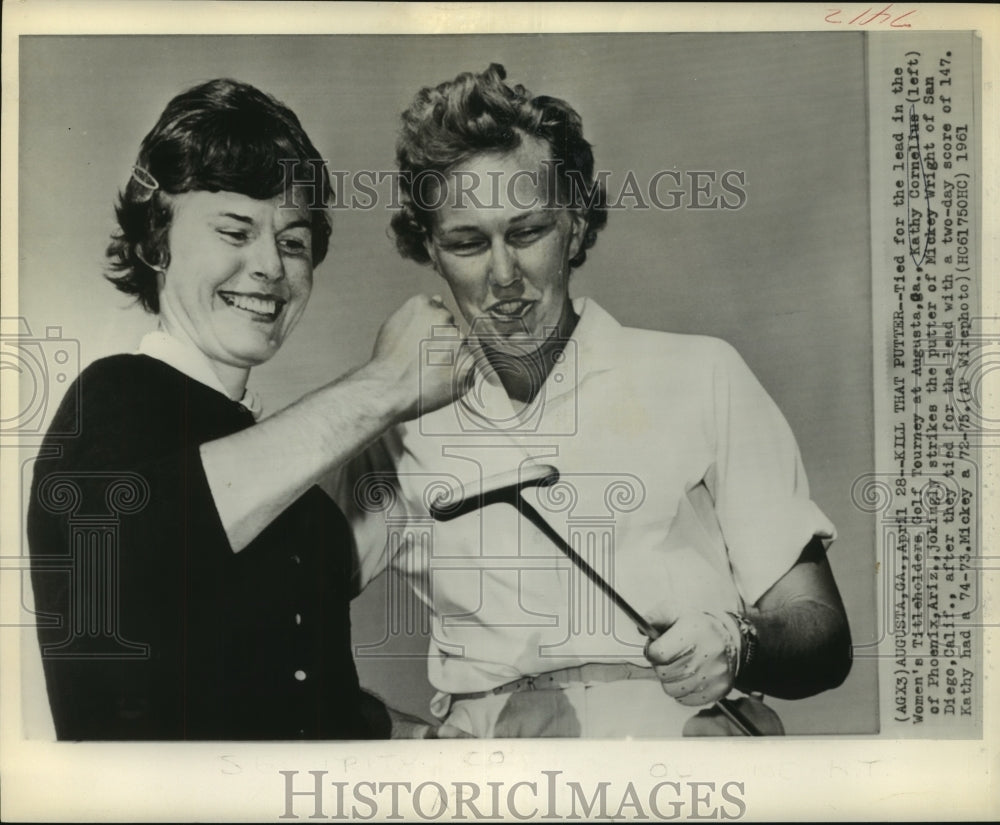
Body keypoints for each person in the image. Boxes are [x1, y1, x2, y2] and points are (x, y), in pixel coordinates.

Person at [335, 64, 853, 738]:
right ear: (430, 250)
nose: (503, 275)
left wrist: (737, 643)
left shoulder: (701, 372)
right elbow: (269, 610)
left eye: (527, 232)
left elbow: (823, 633)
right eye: (468, 242)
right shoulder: (400, 426)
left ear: (575, 226)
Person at [27, 78, 469, 740]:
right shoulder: (112, 398)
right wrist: (387, 382)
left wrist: (419, 738)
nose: (269, 265)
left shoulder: (284, 492)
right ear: (156, 242)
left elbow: (286, 688)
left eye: (293, 241)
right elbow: (151, 544)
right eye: (235, 230)